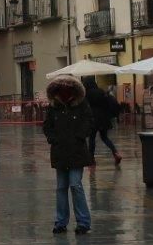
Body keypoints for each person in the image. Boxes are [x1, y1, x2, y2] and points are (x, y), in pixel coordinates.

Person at [43, 76, 94, 236]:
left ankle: (83, 222)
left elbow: (89, 121)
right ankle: (60, 222)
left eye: (68, 87)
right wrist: (53, 139)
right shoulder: (53, 107)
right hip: (60, 152)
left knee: (75, 185)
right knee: (60, 187)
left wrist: (80, 136)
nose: (65, 89)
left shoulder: (81, 104)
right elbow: (47, 126)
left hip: (77, 152)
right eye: (61, 87)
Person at [83, 76, 122, 166]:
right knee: (104, 137)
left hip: (92, 119)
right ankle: (116, 153)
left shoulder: (86, 93)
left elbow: (84, 107)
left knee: (92, 139)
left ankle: (91, 159)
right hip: (104, 119)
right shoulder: (101, 91)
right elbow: (107, 104)